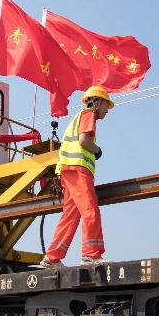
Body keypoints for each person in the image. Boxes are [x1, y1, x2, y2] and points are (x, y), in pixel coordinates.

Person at [41, 86, 115, 267]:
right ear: (97, 102)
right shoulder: (89, 114)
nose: (107, 110)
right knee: (90, 210)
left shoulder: (78, 117)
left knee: (70, 216)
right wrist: (97, 150)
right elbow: (84, 140)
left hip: (68, 170)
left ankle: (52, 257)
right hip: (78, 170)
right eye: (106, 105)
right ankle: (91, 254)